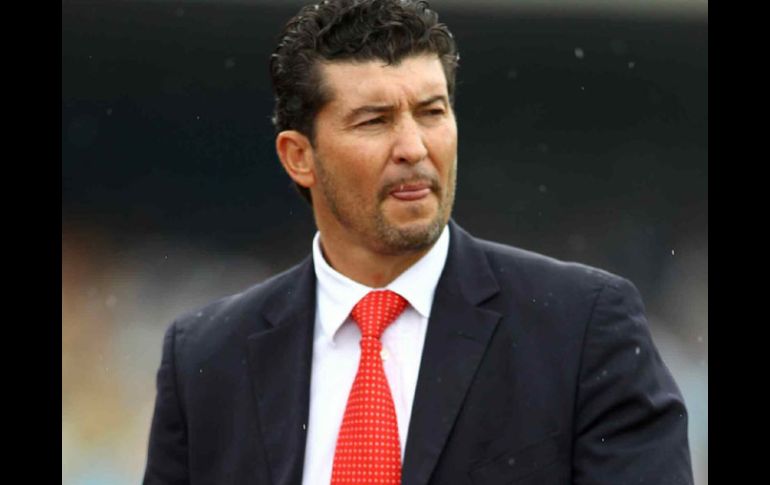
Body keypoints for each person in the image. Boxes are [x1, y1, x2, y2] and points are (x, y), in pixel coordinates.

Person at [142, 1, 694, 484]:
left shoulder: (581, 328)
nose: (413, 146)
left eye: (432, 112)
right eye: (374, 121)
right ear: (299, 157)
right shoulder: (206, 356)